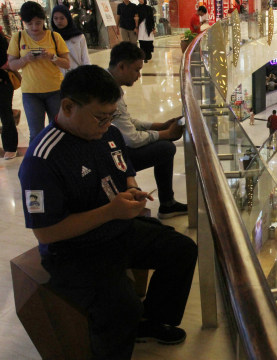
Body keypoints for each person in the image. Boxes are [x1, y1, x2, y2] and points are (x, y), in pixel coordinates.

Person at [18, 65, 198, 358]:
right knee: (120, 306)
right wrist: (110, 212)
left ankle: (149, 321)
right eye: (100, 117)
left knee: (182, 249)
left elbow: (123, 167)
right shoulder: (42, 158)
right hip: (73, 251)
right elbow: (46, 232)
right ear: (68, 106)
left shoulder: (108, 131)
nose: (106, 124)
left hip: (117, 228)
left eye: (111, 116)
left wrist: (131, 188)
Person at [108, 42, 188, 219]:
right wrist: (166, 134)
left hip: (113, 147)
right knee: (166, 147)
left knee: (163, 144)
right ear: (121, 66)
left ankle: (168, 203)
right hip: (109, 156)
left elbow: (127, 121)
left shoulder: (111, 86)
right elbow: (132, 139)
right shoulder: (108, 92)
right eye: (136, 70)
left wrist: (158, 126)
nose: (139, 75)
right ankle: (167, 203)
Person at [8, 2, 70, 144]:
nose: (35, 27)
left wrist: (52, 57)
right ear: (23, 22)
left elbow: (67, 63)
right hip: (31, 92)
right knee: (36, 133)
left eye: (38, 23)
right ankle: (37, 164)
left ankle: (59, 161)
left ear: (44, 20)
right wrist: (25, 59)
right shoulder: (17, 38)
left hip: (55, 89)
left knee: (58, 130)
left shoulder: (54, 37)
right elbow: (12, 65)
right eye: (30, 24)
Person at [51, 5, 90, 75]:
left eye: (62, 18)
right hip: (58, 77)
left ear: (68, 18)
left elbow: (85, 59)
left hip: (76, 75)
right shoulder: (51, 37)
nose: (58, 21)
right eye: (55, 18)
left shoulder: (78, 37)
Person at [0, 26, 18, 160]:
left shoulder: (1, 37)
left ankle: (10, 147)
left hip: (3, 82)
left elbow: (4, 60)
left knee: (5, 114)